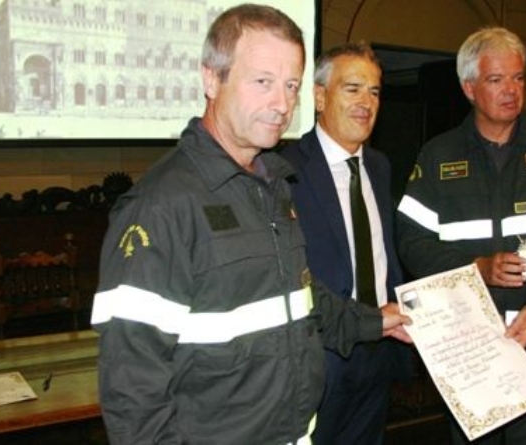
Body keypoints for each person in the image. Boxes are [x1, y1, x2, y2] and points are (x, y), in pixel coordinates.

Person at [89, 5, 410, 444]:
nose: (282, 104)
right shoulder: (162, 206)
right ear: (210, 79)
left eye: (291, 85)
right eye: (263, 82)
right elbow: (132, 390)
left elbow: (300, 298)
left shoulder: (271, 186)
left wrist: (376, 322)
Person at [396, 26, 526, 445]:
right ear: (469, 87)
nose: (511, 90)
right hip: (468, 341)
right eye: (496, 79)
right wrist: (476, 268)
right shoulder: (437, 157)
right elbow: (411, 244)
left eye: (518, 78)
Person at [281, 43, 408, 445]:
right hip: (320, 354)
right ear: (320, 97)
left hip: (379, 348)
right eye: (352, 89)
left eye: (374, 92)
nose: (366, 102)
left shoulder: (380, 165)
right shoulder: (285, 171)